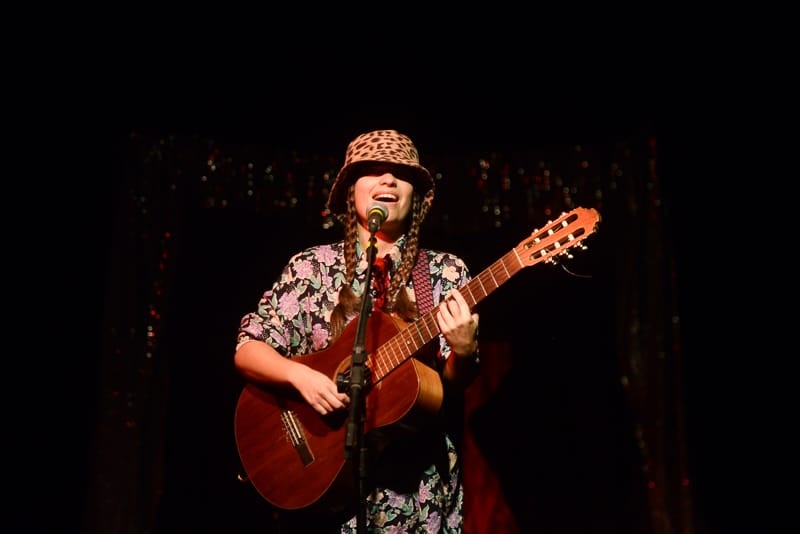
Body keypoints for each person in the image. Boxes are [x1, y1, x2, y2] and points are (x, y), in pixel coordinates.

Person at [234, 129, 480, 533]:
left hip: (415, 499)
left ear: (416, 196)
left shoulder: (444, 273)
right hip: (323, 496)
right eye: (373, 170)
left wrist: (464, 352)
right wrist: (300, 376)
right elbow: (248, 349)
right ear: (351, 191)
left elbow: (446, 389)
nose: (388, 179)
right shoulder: (311, 268)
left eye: (401, 174)